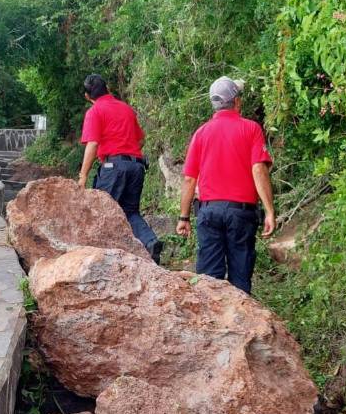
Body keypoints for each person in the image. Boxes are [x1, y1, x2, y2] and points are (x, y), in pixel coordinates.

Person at [176, 76, 275, 294]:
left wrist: (183, 217)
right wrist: (269, 211)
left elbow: (189, 179)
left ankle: (211, 324)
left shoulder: (201, 133)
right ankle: (241, 322)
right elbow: (258, 169)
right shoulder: (251, 129)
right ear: (237, 101)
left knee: (208, 280)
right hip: (241, 213)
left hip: (209, 211)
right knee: (240, 278)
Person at [78, 74, 163, 263]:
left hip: (113, 167)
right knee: (130, 211)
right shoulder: (126, 109)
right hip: (136, 165)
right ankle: (150, 242)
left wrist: (83, 175)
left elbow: (92, 144)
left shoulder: (95, 111)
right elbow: (141, 139)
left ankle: (103, 259)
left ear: (87, 96)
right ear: (108, 87)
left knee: (103, 211)